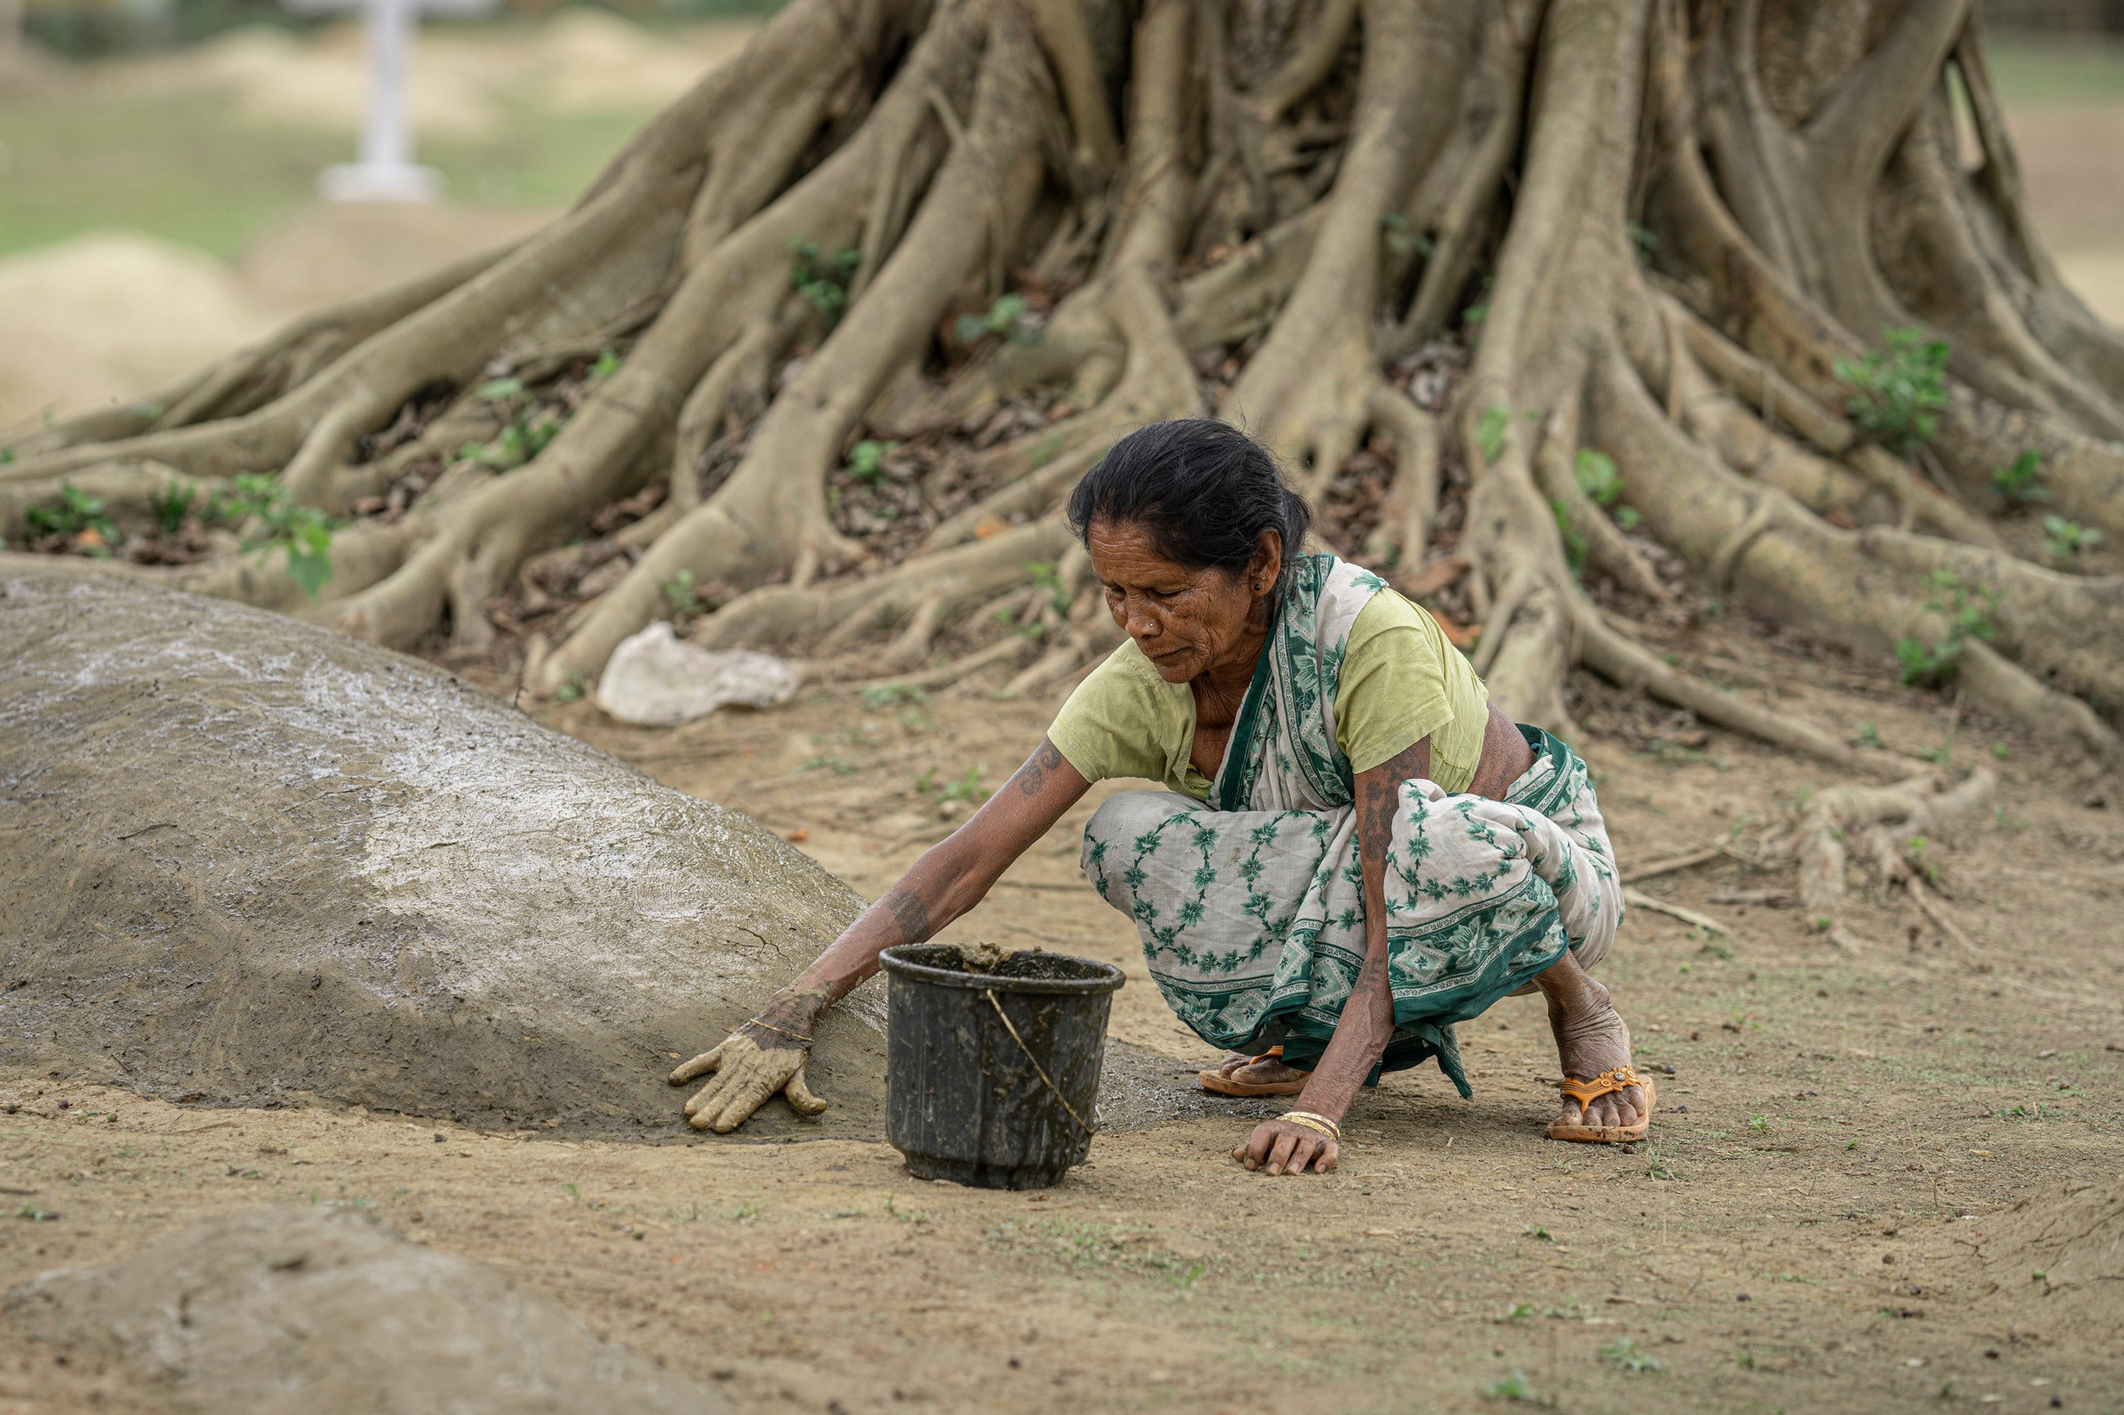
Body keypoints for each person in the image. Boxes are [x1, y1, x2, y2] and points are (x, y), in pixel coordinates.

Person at [670, 418, 1650, 1173]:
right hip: (1352, 878)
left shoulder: (1368, 637)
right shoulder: (1143, 677)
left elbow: (1397, 877)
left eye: (1167, 592)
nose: (1137, 624)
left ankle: (1577, 1000)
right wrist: (791, 1010)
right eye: (1114, 593)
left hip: (1519, 868)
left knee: (1434, 839)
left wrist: (1318, 1110)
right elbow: (969, 856)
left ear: (1261, 562)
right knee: (1126, 832)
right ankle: (1310, 1030)